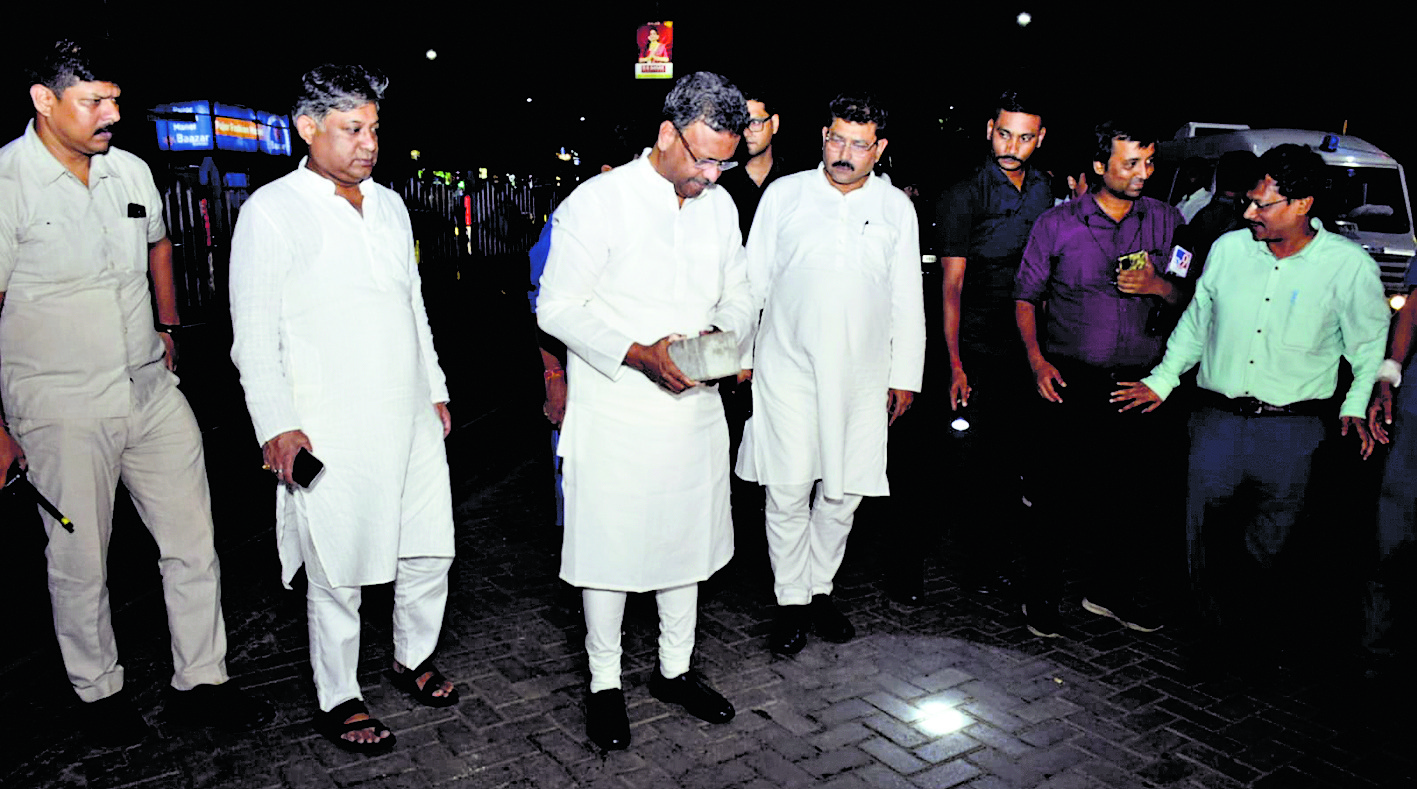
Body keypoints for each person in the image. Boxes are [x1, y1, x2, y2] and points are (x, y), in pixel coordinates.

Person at [0, 39, 270, 745]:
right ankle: (98, 695)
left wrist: (168, 325)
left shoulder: (130, 170)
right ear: (44, 100)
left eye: (115, 99)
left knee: (194, 542)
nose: (112, 114)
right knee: (79, 561)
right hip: (59, 404)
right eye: (94, 100)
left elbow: (158, 243)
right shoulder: (8, 182)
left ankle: (201, 683)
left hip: (149, 388)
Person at [229, 64, 458, 755]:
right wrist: (276, 426)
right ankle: (340, 695)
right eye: (352, 129)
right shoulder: (272, 210)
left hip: (408, 411)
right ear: (307, 127)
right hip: (329, 421)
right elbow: (253, 335)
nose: (369, 143)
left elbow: (412, 305)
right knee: (337, 566)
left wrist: (435, 388)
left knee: (429, 548)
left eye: (374, 129)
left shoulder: (389, 205)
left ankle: (412, 657)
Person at [537, 71, 754, 751]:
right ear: (666, 133)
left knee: (685, 545)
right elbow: (556, 308)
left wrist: (718, 340)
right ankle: (604, 684)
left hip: (693, 407)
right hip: (616, 410)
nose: (712, 176)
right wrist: (638, 354)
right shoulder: (597, 202)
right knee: (609, 550)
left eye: (724, 163)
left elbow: (740, 292)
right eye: (703, 158)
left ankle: (674, 670)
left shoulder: (719, 206)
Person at [1115, 144, 1388, 665]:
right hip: (1215, 423)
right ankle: (1214, 641)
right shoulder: (1228, 250)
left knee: (1272, 546)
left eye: (1263, 204)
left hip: (1293, 433)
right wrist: (1163, 379)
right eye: (1249, 201)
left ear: (1303, 204)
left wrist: (1354, 405)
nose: (1248, 213)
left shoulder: (1348, 267)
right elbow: (1197, 322)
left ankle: (1253, 641)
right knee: (1201, 542)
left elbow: (1369, 345)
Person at [736, 93, 925, 654]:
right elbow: (752, 282)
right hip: (787, 366)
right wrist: (741, 356)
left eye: (859, 145)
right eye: (837, 139)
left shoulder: (896, 209)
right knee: (788, 486)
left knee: (844, 492)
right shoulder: (785, 194)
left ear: (879, 148)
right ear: (823, 136)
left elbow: (906, 298)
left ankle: (819, 589)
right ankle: (791, 600)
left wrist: (905, 375)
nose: (844, 153)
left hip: (863, 375)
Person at [1014, 120, 1190, 639]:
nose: (1143, 173)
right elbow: (1025, 298)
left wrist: (1159, 286)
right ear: (1098, 165)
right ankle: (1041, 596)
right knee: (1055, 498)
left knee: (1130, 499)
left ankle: (1110, 593)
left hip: (1139, 385)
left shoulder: (1167, 220)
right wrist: (1037, 362)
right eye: (1130, 163)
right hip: (1071, 381)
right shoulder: (1057, 224)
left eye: (1149, 162)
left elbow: (1189, 297)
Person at [935, 90, 1053, 597]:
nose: (1012, 146)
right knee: (968, 460)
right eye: (1004, 134)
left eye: (1024, 137)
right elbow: (951, 287)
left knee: (1012, 461)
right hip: (977, 344)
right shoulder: (962, 194)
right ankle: (967, 562)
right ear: (989, 130)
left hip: (1029, 348)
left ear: (1040, 139)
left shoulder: (1045, 188)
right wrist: (955, 363)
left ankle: (997, 558)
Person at [717, 90, 785, 240]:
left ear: (774, 124)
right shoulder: (721, 181)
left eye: (755, 122)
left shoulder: (792, 178)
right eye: (742, 124)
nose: (747, 132)